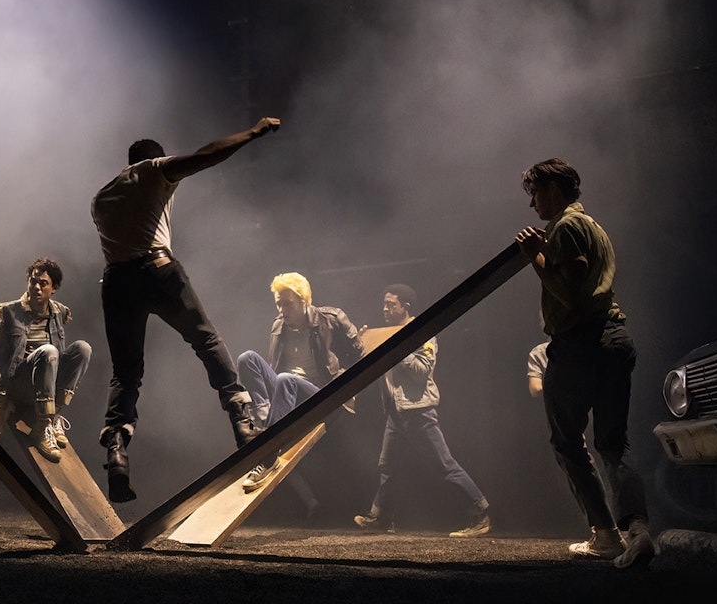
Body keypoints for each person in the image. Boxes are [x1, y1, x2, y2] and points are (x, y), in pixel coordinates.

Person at [92, 118, 280, 503]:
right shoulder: (152, 171)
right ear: (153, 160)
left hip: (116, 283)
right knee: (205, 338)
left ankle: (116, 450)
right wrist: (254, 132)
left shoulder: (100, 198)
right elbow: (205, 156)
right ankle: (242, 418)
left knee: (126, 374)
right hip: (156, 270)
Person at [515, 157, 657, 568]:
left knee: (566, 442)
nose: (533, 205)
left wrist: (534, 257)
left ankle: (606, 535)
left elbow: (571, 295)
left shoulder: (567, 227)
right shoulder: (593, 225)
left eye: (535, 193)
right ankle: (639, 533)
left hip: (582, 344)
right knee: (614, 442)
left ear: (555, 190)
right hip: (613, 338)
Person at [352, 284, 491, 537]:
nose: (385, 309)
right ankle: (381, 517)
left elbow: (421, 372)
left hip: (419, 411)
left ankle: (479, 513)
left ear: (405, 306)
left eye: (390, 304)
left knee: (444, 465)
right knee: (388, 466)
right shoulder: (389, 334)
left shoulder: (421, 334)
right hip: (396, 413)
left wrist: (396, 347)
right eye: (384, 304)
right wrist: (364, 346)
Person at [236, 272, 363, 498]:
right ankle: (266, 429)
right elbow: (274, 367)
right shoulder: (278, 326)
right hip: (288, 392)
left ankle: (268, 456)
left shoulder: (330, 318)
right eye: (279, 304)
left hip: (319, 394)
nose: (282, 310)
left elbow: (358, 352)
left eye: (288, 304)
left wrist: (343, 383)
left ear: (305, 302)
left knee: (286, 379)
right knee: (247, 358)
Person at [0, 258, 92, 464]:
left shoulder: (59, 312)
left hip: (47, 386)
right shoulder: (9, 311)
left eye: (43, 283)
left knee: (83, 348)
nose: (36, 287)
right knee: (49, 351)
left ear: (54, 288)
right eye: (33, 281)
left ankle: (53, 416)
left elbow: (62, 360)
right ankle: (42, 426)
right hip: (19, 383)